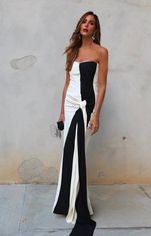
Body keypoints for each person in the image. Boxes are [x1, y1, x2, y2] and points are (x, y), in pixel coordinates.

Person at [52, 10, 108, 236]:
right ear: (80, 25)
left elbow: (102, 85)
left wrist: (96, 114)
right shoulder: (72, 51)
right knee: (68, 153)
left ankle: (80, 206)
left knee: (78, 154)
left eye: (91, 23)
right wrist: (61, 113)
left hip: (86, 106)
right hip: (70, 105)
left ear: (96, 29)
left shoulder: (101, 52)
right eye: (84, 21)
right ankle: (66, 202)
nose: (87, 25)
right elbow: (66, 84)